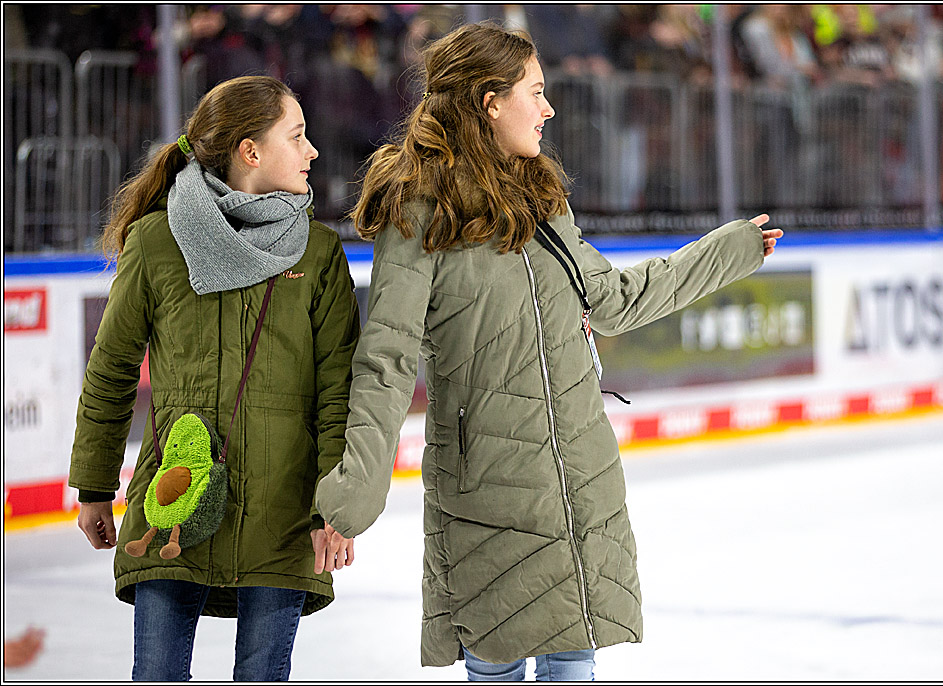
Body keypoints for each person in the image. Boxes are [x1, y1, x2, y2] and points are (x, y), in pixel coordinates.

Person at [315, 21, 782, 681]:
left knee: (574, 662)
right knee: (496, 665)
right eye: (535, 92)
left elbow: (614, 299)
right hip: (490, 491)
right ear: (489, 101)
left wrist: (725, 253)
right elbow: (386, 360)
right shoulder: (420, 212)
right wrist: (354, 494)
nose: (549, 108)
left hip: (579, 479)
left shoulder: (541, 199)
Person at [69, 75, 360, 681]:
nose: (312, 152)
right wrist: (94, 483)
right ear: (249, 150)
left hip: (284, 511)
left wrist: (336, 505)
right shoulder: (157, 240)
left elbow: (339, 394)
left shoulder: (318, 253)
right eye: (298, 136)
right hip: (175, 500)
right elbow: (112, 369)